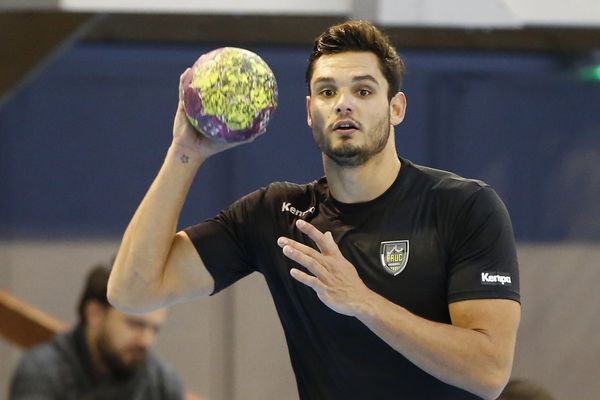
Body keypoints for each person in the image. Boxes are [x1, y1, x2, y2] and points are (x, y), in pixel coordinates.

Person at [107, 20, 521, 400]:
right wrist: (185, 153)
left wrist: (363, 302)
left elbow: (488, 371)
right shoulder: (277, 215)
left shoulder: (463, 206)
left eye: (363, 91)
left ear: (396, 108)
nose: (343, 104)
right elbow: (133, 292)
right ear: (310, 112)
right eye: (327, 92)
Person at [9, 265, 183, 400]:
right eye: (135, 324)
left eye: (154, 329)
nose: (146, 341)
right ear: (95, 313)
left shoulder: (162, 382)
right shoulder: (43, 372)